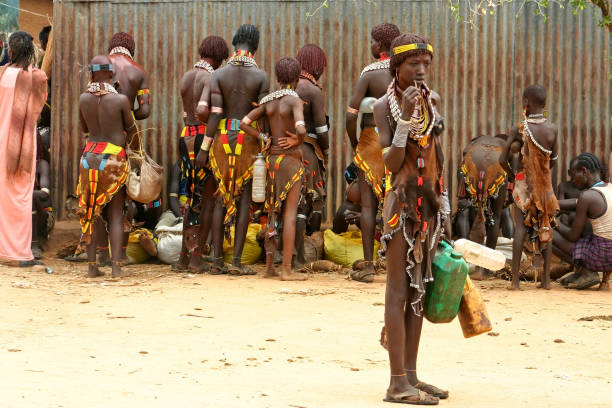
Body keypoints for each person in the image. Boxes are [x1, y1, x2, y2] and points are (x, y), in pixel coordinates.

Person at [374, 33, 447, 405]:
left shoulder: (431, 100)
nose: (421, 71)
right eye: (413, 64)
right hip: (401, 207)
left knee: (420, 290)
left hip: (428, 208)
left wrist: (444, 201)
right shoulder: (382, 107)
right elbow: (389, 161)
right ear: (396, 67)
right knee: (398, 291)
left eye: (425, 64)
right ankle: (395, 383)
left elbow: (438, 154)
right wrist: (403, 117)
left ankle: (412, 376)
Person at [195, 24, 269, 275]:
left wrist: (204, 149)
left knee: (220, 198)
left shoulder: (219, 74)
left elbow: (214, 115)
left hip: (222, 140)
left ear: (235, 43)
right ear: (255, 47)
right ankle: (236, 262)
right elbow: (264, 115)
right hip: (248, 142)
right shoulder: (261, 76)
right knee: (244, 199)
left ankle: (216, 260)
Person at [240, 58, 307, 280]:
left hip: (271, 161)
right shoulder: (294, 101)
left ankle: (270, 268)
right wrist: (298, 141)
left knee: (271, 213)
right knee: (289, 215)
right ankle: (286, 269)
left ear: (278, 78)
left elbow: (244, 123)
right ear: (297, 79)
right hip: (290, 162)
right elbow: (301, 127)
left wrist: (262, 136)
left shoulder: (268, 102)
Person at [345, 22, 400, 283]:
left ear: (379, 44)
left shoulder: (369, 73)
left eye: (372, 41)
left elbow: (350, 114)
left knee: (368, 206)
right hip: (398, 144)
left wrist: (355, 142)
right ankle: (397, 264)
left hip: (371, 143)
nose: (370, 45)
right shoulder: (403, 71)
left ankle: (368, 265)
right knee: (397, 203)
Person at [76, 55, 138, 278]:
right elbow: (131, 130)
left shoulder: (83, 99)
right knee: (116, 215)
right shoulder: (121, 100)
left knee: (91, 212)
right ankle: (115, 267)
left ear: (91, 74)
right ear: (111, 74)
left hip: (89, 158)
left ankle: (92, 266)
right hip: (113, 159)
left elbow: (84, 128)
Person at [174, 35, 229, 273]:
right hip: (201, 141)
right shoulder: (211, 77)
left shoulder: (187, 75)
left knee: (190, 198)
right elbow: (203, 109)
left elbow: (188, 113)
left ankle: (183, 258)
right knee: (205, 200)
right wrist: (208, 140)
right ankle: (197, 258)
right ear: (218, 57)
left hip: (185, 136)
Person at [499, 85, 559, 290]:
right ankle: (546, 281)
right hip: (545, 187)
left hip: (523, 185)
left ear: (526, 102)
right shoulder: (552, 129)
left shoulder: (520, 128)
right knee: (546, 226)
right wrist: (542, 174)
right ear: (544, 104)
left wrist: (511, 175)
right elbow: (554, 160)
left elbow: (501, 159)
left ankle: (515, 283)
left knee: (520, 230)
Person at [0, 31, 48, 266]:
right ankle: (18, 253)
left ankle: (2, 250)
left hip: (1, 143)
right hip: (21, 145)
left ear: (10, 51)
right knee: (20, 195)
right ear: (31, 51)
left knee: (3, 197)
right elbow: (39, 104)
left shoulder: (1, 73)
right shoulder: (36, 77)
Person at [455, 134, 510, 280]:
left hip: (472, 159)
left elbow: (465, 153)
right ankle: (485, 269)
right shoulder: (506, 147)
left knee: (465, 209)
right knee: (496, 215)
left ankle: (464, 259)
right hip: (497, 164)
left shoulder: (475, 141)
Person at [554, 153, 611, 290]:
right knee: (590, 234)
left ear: (585, 171)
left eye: (574, 175)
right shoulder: (608, 187)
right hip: (608, 250)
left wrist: (553, 222)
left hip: (603, 255)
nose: (573, 180)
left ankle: (587, 272)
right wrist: (551, 204)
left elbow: (572, 236)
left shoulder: (587, 196)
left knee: (548, 233)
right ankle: (582, 272)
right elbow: (574, 203)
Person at [294, 44, 328, 266]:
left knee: (290, 203)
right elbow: (321, 129)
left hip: (283, 150)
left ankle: (284, 250)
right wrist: (325, 149)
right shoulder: (312, 91)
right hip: (308, 149)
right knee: (309, 201)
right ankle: (301, 253)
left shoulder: (287, 87)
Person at [31, 133, 53, 259]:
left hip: (42, 214)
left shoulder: (41, 164)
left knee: (30, 198)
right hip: (18, 209)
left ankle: (33, 246)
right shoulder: (13, 164)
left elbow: (45, 193)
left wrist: (22, 195)